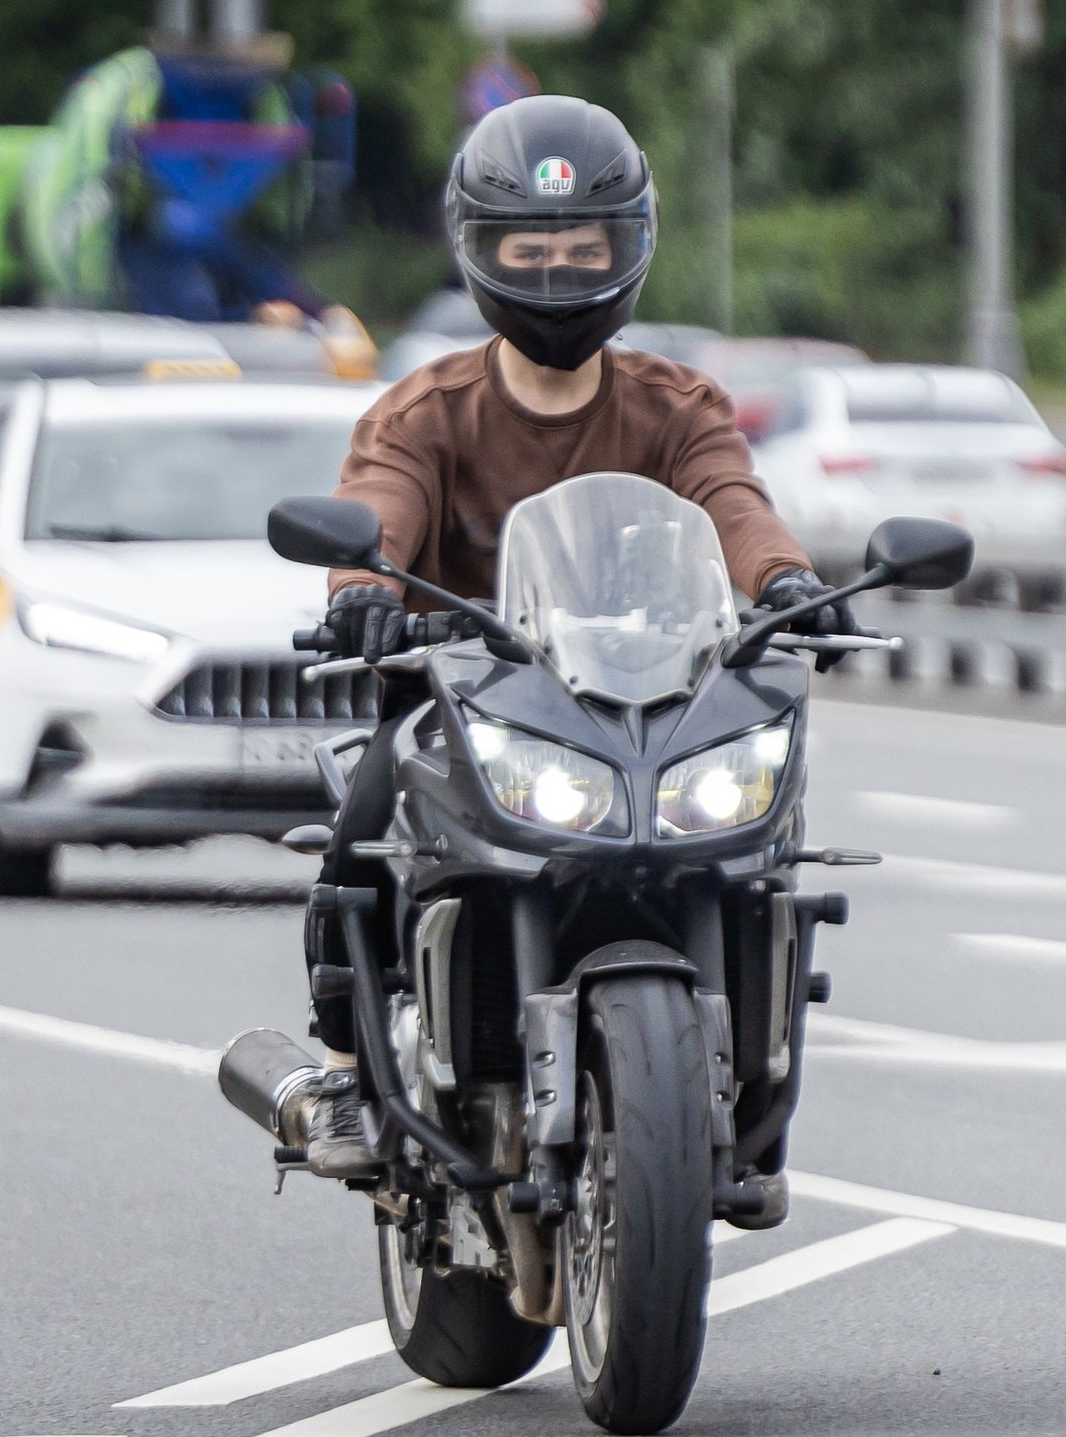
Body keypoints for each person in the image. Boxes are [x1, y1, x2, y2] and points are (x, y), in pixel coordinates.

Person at [300, 94, 856, 1177]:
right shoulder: (426, 410)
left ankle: (746, 1083)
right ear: (480, 251)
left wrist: (787, 580)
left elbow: (730, 498)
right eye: (530, 246)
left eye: (582, 245)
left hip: (653, 702)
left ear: (629, 246)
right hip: (465, 702)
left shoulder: (675, 403)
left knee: (768, 846)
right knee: (360, 824)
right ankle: (343, 1071)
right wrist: (358, 585)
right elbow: (380, 502)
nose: (557, 270)